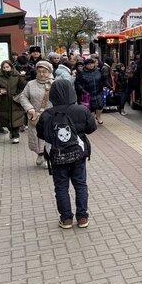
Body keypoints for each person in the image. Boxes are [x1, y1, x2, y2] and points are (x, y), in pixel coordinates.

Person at [36, 79, 96, 229]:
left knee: (61, 187)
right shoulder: (82, 110)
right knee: (80, 184)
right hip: (78, 154)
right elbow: (91, 128)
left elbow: (41, 134)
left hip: (57, 156)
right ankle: (82, 218)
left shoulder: (47, 114)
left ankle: (66, 219)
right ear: (72, 91)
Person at [17, 60, 54, 167]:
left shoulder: (55, 83)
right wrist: (29, 108)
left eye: (45, 71)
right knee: (36, 137)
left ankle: (48, 158)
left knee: (49, 137)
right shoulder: (30, 84)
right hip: (35, 116)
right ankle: (40, 154)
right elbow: (23, 97)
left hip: (50, 116)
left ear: (49, 72)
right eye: (39, 71)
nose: (42, 74)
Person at [0, 60, 28, 143]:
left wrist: (23, 77)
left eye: (7, 67)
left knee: (16, 119)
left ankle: (16, 135)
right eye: (4, 67)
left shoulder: (17, 75)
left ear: (11, 67)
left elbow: (23, 85)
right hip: (4, 101)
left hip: (15, 100)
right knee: (7, 119)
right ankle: (12, 132)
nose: (6, 69)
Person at [75, 58, 105, 124]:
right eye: (89, 64)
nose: (91, 65)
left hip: (98, 91)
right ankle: (92, 120)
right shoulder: (82, 73)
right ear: (85, 65)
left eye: (92, 63)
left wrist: (107, 85)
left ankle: (98, 117)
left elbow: (103, 79)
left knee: (100, 105)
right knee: (91, 107)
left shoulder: (98, 71)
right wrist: (82, 89)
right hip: (88, 93)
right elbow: (77, 83)